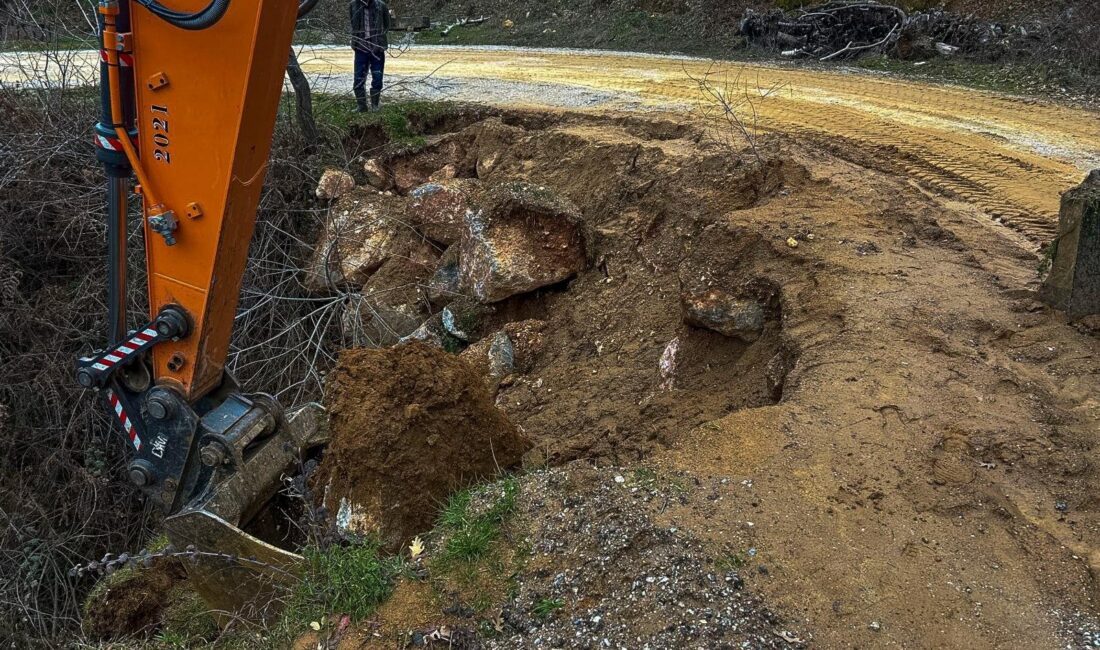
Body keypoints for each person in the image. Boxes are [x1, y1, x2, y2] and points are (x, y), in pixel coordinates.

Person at [350, 0, 391, 112]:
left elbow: (387, 25)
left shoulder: (381, 5)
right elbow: (353, 25)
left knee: (377, 77)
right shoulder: (353, 5)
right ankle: (361, 106)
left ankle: (375, 105)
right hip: (360, 47)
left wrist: (379, 39)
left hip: (377, 48)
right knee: (358, 77)